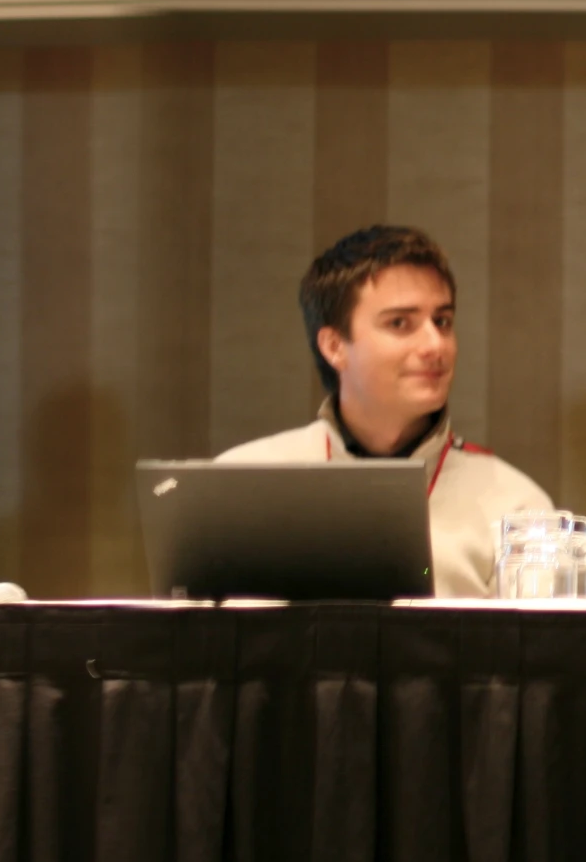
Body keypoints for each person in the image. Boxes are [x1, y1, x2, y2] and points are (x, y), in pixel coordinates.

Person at [215, 224, 551, 596]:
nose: (434, 344)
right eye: (400, 323)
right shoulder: (242, 484)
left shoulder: (518, 508)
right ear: (334, 346)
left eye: (442, 321)